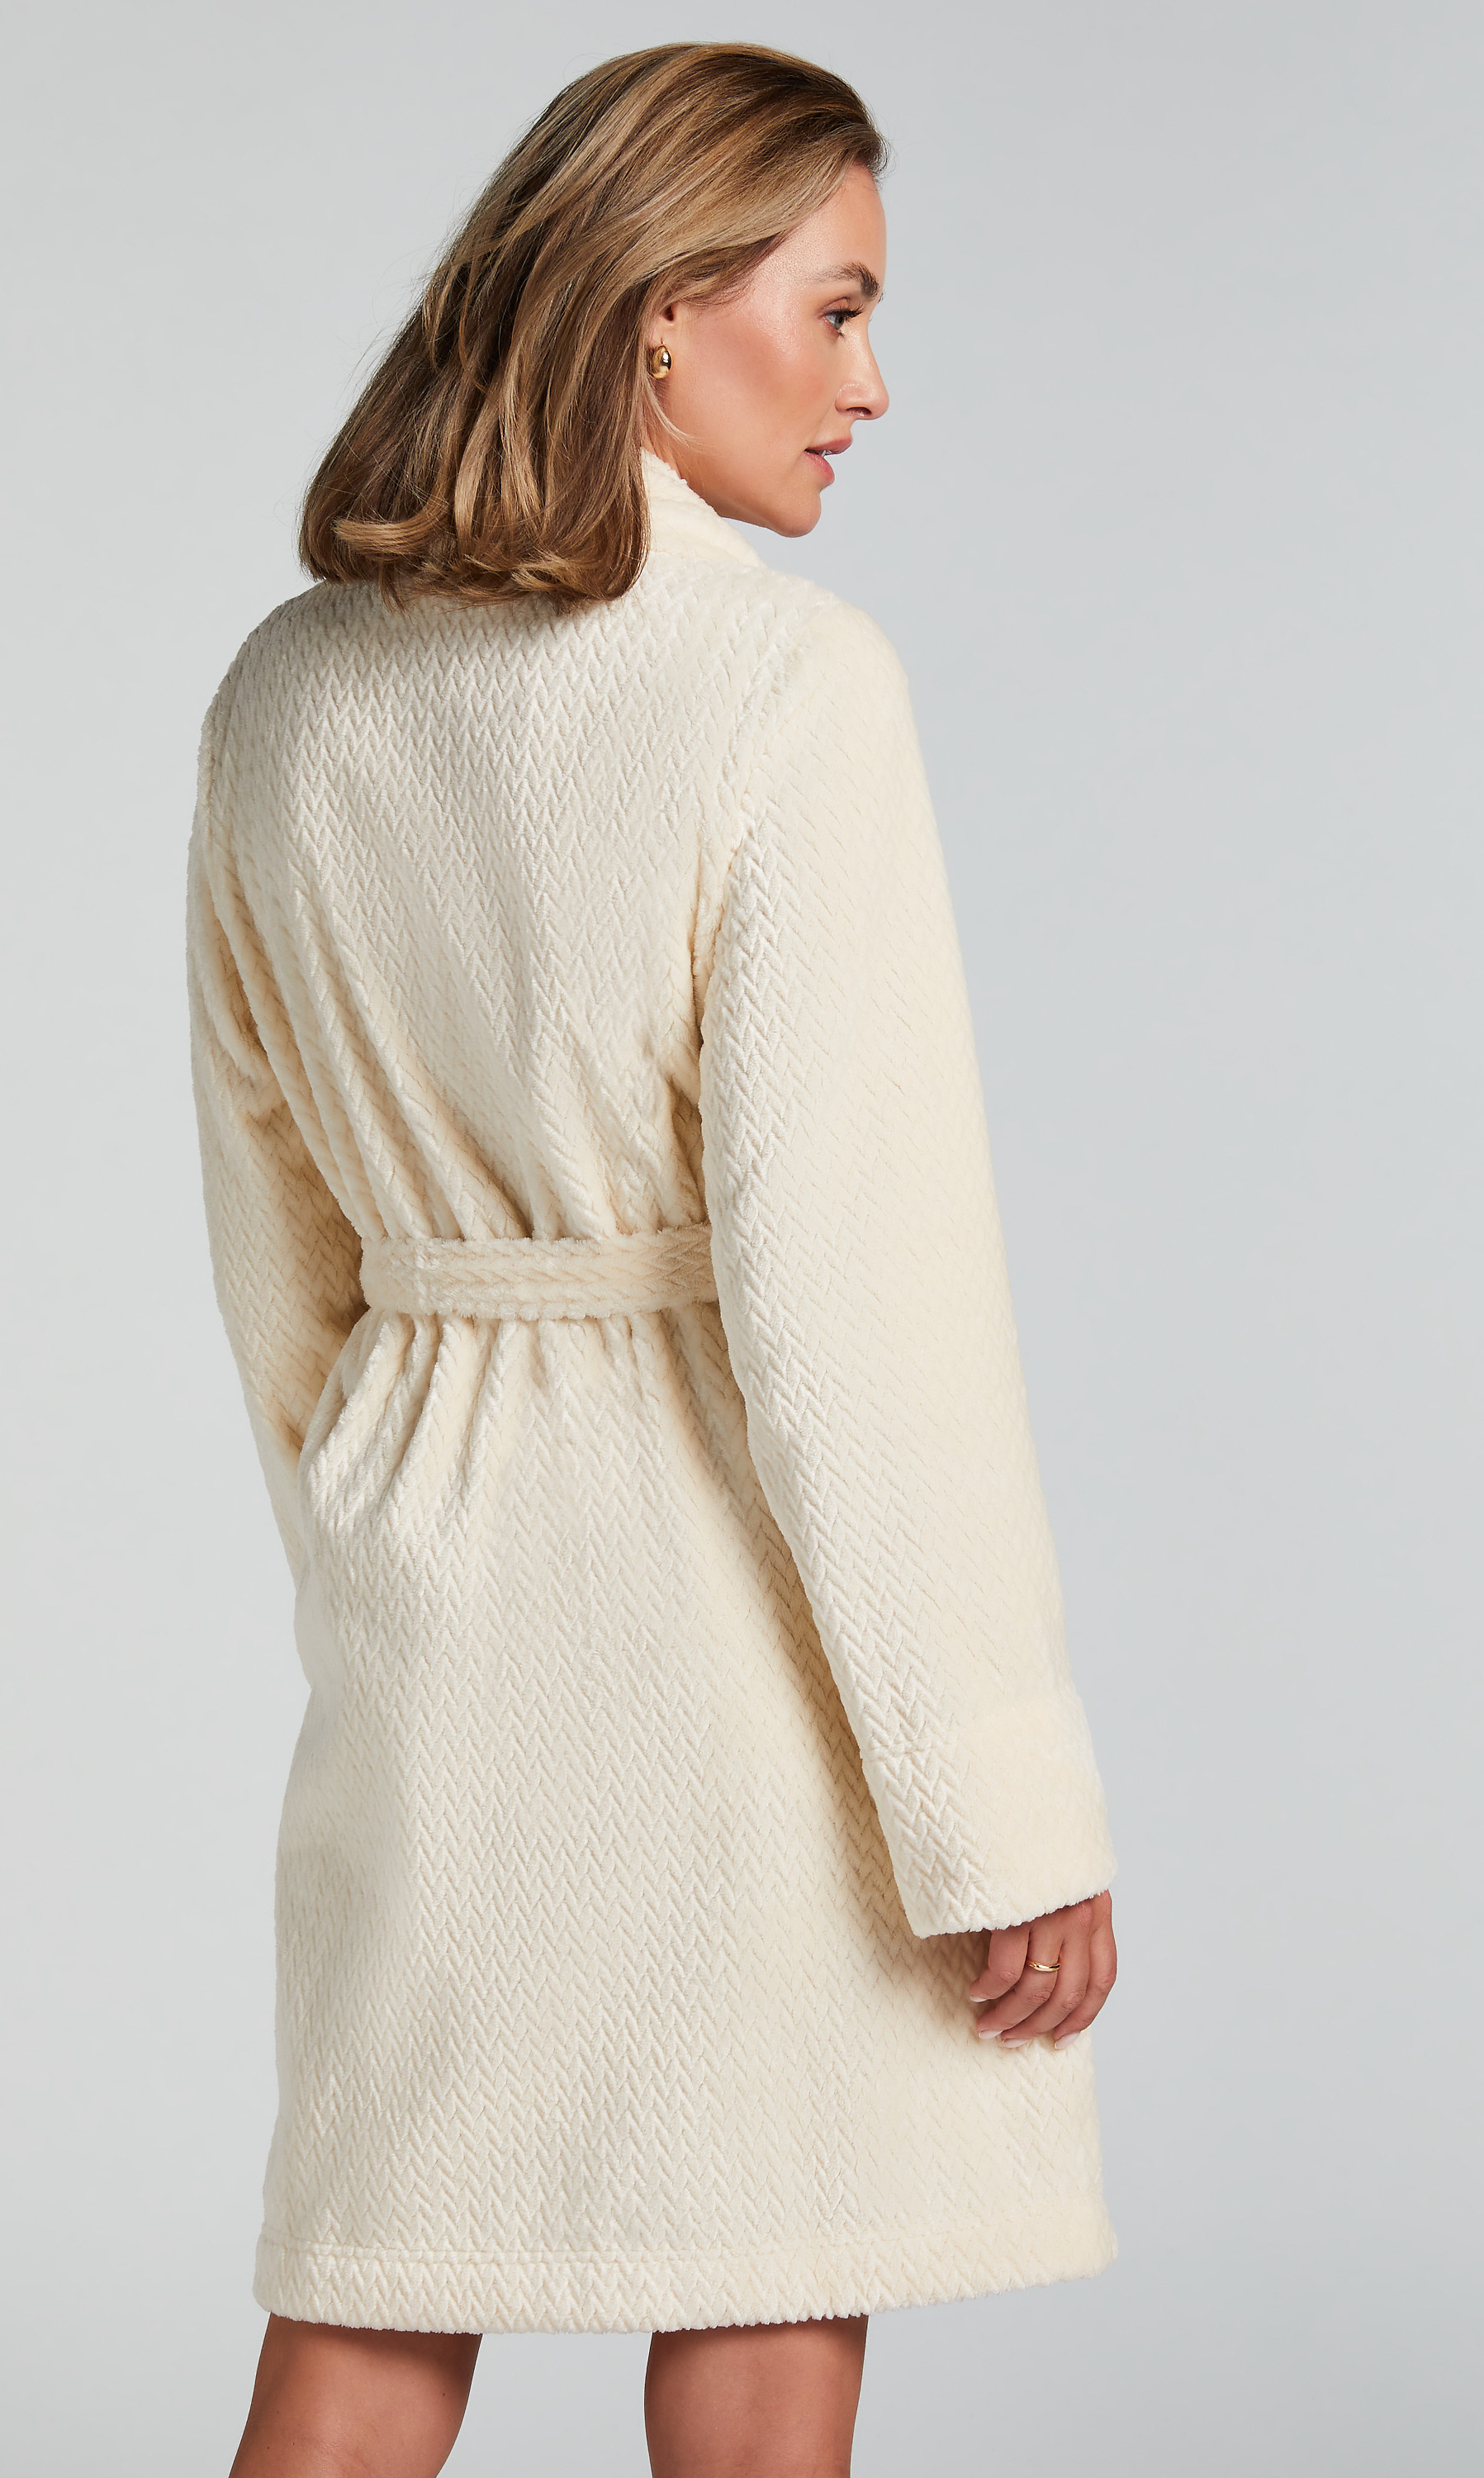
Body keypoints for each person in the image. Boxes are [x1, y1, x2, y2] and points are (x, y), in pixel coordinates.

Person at [187, 42, 1119, 2478]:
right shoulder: (783, 686)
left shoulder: (290, 694)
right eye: (836, 308)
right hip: (747, 1631)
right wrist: (995, 1803)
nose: (871, 384)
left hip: (437, 1609)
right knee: (763, 2270)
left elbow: (277, 1243)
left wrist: (381, 1545)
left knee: (380, 2286)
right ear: (654, 311)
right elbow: (861, 1301)